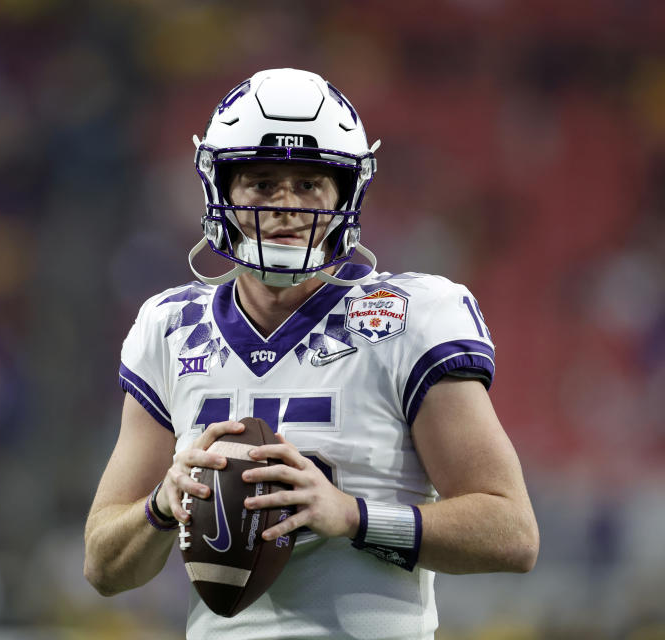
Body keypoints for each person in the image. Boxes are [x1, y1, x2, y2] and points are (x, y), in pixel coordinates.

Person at [84, 68, 539, 639]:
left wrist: (352, 517)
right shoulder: (171, 326)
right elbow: (103, 565)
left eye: (309, 184)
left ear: (345, 193)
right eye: (263, 182)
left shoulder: (413, 315)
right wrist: (160, 504)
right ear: (221, 191)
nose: (287, 206)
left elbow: (512, 532)